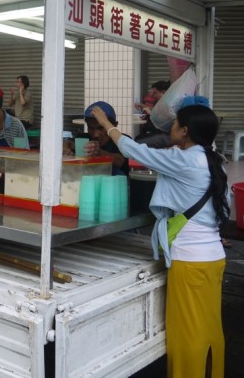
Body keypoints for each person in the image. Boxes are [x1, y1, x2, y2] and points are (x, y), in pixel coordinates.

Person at [90, 101, 228, 378]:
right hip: (213, 259)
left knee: (187, 333)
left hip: (190, 263)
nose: (171, 128)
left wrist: (106, 124)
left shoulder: (185, 160)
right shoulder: (214, 161)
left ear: (185, 131)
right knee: (210, 327)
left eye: (175, 124)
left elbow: (133, 150)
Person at [83, 101, 130, 175]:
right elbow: (68, 145)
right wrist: (66, 147)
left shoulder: (122, 140)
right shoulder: (83, 139)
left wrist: (100, 153)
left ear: (114, 125)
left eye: (101, 128)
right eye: (90, 128)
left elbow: (121, 161)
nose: (95, 135)